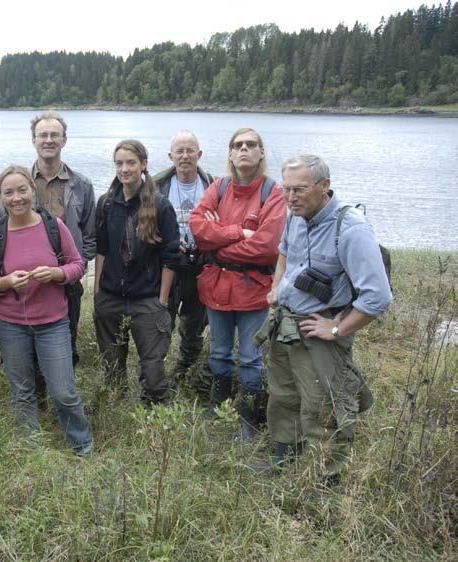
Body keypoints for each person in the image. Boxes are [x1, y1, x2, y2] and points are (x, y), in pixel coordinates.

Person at [253, 154, 391, 480]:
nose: (289, 198)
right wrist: (276, 288)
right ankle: (284, 456)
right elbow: (285, 253)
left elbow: (378, 297)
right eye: (286, 189)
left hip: (319, 331)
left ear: (325, 185)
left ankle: (327, 478)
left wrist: (337, 328)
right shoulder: (295, 215)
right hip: (284, 324)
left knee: (325, 402)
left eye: (299, 190)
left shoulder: (351, 228)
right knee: (283, 394)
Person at [0, 165, 93, 454]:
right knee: (23, 392)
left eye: (22, 190)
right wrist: (4, 282)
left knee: (63, 392)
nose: (17, 198)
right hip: (11, 326)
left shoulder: (53, 226)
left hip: (53, 324)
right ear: (1, 198)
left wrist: (56, 274)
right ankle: (31, 449)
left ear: (32, 191)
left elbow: (77, 265)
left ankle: (83, 447)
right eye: (9, 193)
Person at [190, 128, 286, 441]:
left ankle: (248, 418)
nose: (244, 149)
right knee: (218, 353)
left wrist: (218, 238)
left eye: (251, 144)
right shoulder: (218, 187)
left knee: (250, 357)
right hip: (217, 286)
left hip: (253, 289)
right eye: (237, 145)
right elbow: (198, 229)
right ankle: (219, 407)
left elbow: (268, 246)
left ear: (261, 153)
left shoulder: (274, 192)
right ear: (230, 154)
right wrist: (238, 233)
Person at [0, 111, 96, 366]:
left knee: (64, 343)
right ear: (33, 140)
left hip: (66, 283)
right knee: (22, 350)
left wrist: (73, 267)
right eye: (43, 135)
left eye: (54, 135)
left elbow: (90, 234)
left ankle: (56, 392)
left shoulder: (82, 185)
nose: (49, 140)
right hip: (21, 283)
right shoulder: (18, 182)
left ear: (64, 140)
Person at [94, 140, 178, 405]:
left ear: (143, 164)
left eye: (131, 162)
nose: (124, 169)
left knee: (152, 369)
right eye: (119, 163)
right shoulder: (107, 203)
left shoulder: (160, 206)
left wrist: (162, 302)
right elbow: (102, 250)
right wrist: (98, 292)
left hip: (148, 299)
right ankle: (116, 408)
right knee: (111, 362)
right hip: (110, 297)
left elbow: (171, 257)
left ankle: (156, 413)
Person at [152, 130, 215, 394]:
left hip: (199, 267)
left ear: (199, 155)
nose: (185, 156)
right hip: (167, 267)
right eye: (180, 151)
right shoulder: (156, 186)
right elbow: (144, 225)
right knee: (160, 320)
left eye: (190, 151)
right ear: (171, 156)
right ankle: (155, 375)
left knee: (194, 324)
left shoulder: (214, 185)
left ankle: (185, 373)